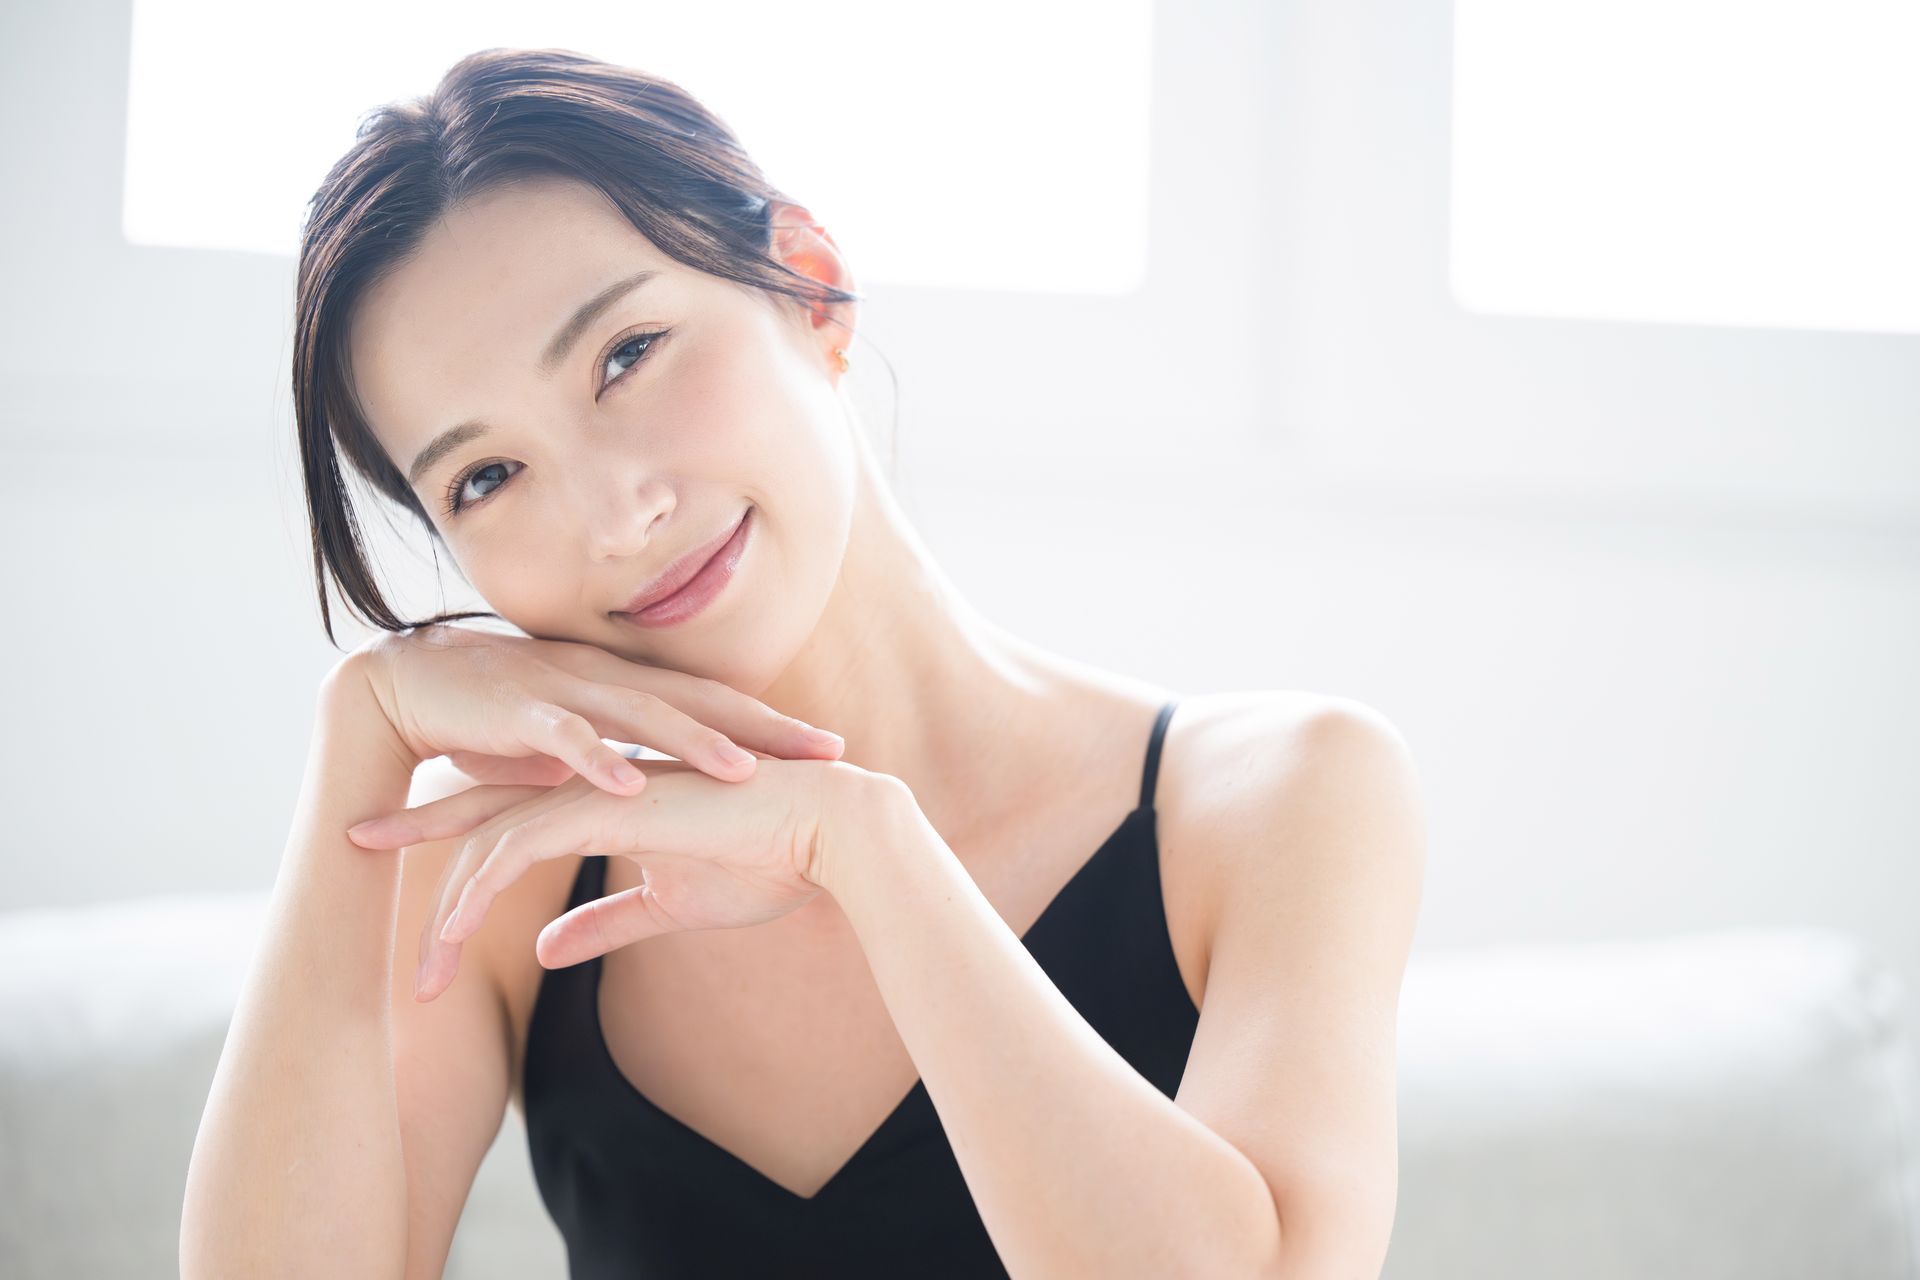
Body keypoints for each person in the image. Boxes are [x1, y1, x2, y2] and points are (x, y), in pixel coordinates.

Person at [181, 47, 1427, 1280]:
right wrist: (363, 726)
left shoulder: (1275, 797)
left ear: (811, 289)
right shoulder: (510, 874)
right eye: (487, 477)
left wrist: (867, 849)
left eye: (627, 354)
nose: (616, 516)